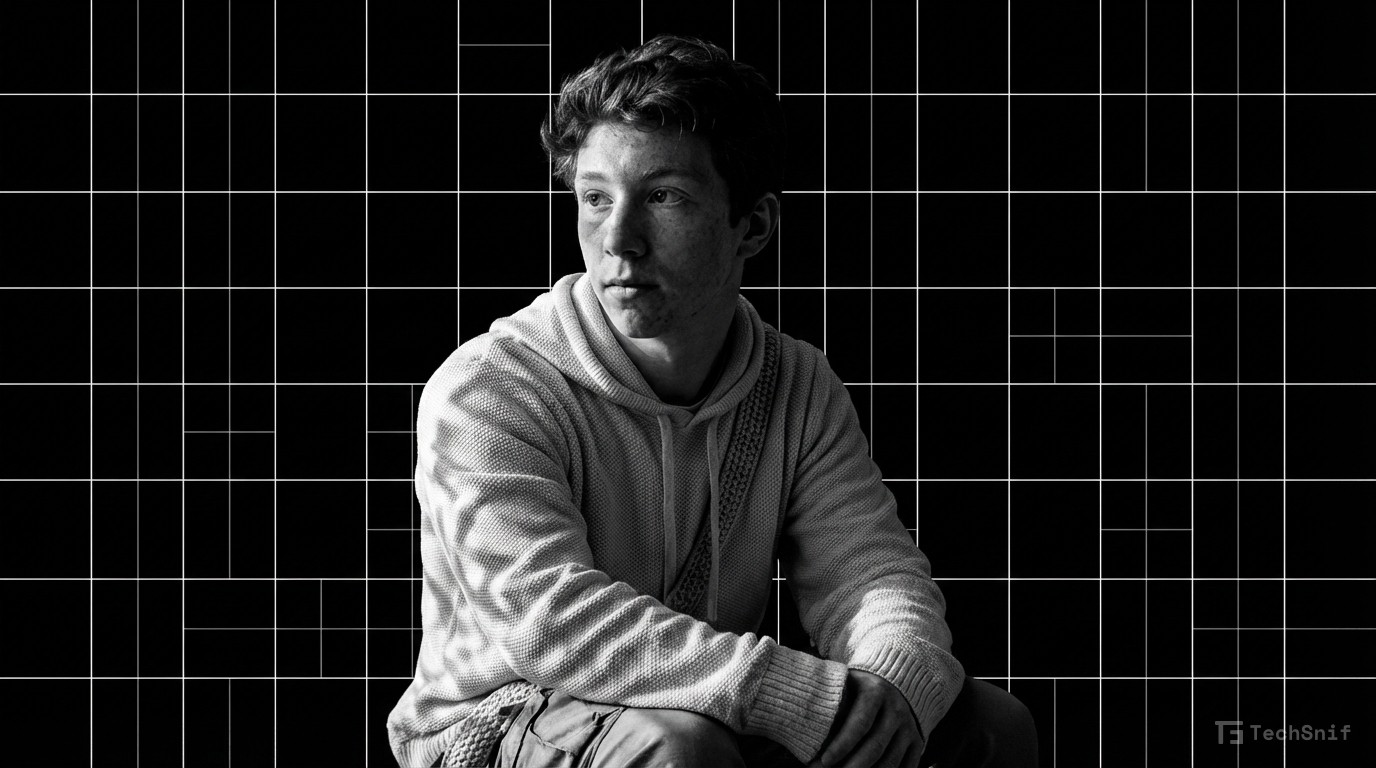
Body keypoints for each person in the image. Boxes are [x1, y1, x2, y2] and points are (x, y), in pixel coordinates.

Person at [387, 35, 1038, 768]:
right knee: (677, 749)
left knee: (989, 724)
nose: (618, 240)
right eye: (595, 199)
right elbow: (551, 622)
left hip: (709, 705)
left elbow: (869, 574)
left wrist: (893, 690)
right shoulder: (490, 388)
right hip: (499, 718)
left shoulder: (795, 384)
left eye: (662, 197)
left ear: (752, 226)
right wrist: (799, 696)